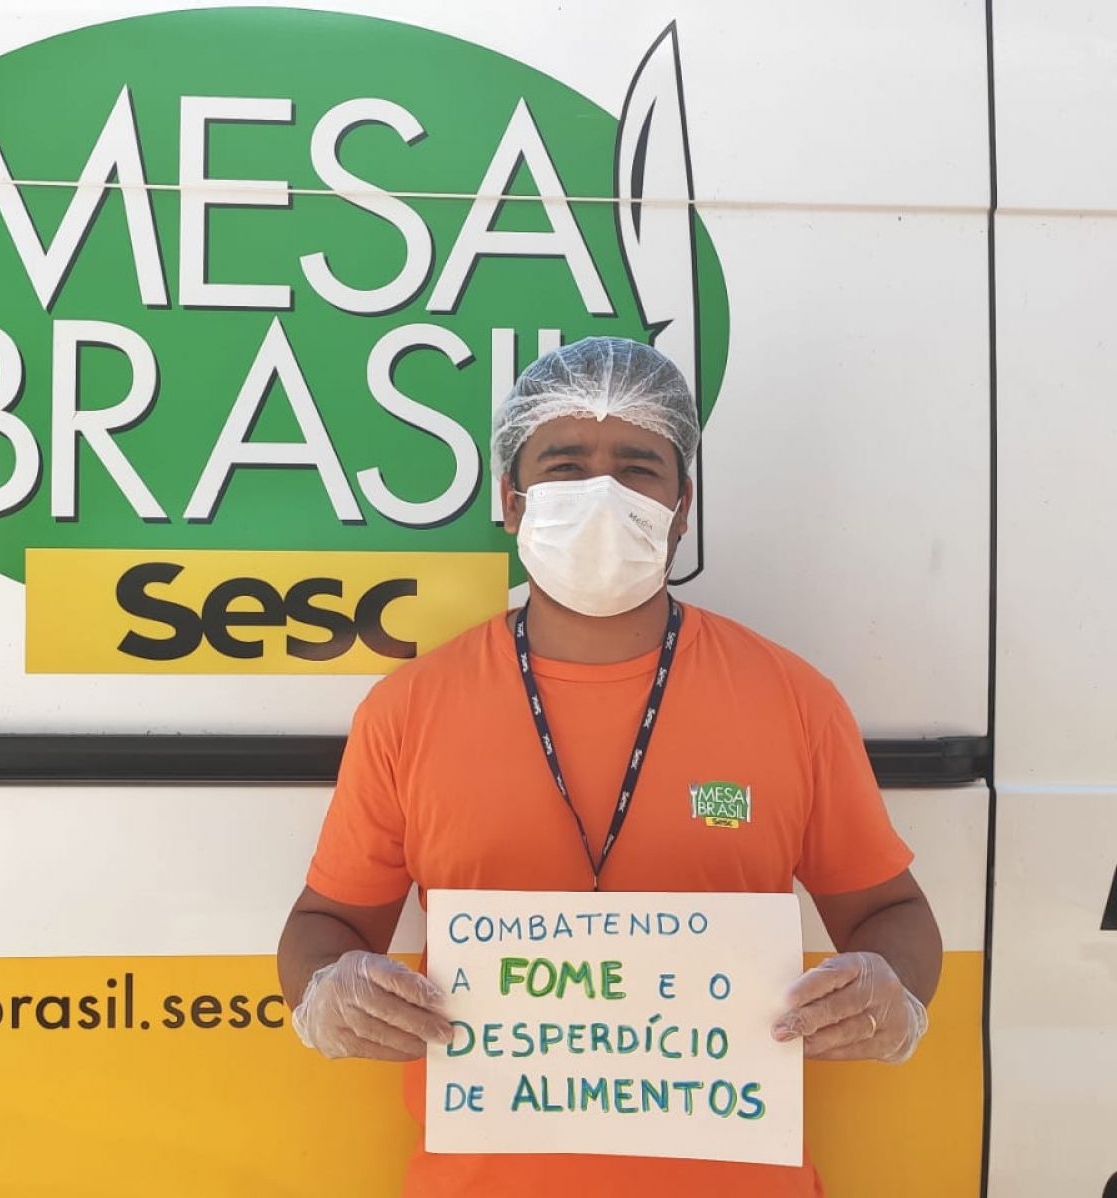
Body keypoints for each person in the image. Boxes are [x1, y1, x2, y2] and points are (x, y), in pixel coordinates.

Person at [275, 336, 941, 1197]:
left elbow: (893, 912)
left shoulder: (791, 700)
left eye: (637, 468)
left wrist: (891, 989)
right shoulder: (409, 710)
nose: (602, 493)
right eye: (565, 466)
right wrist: (329, 991)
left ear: (681, 507)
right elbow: (323, 924)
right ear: (511, 500)